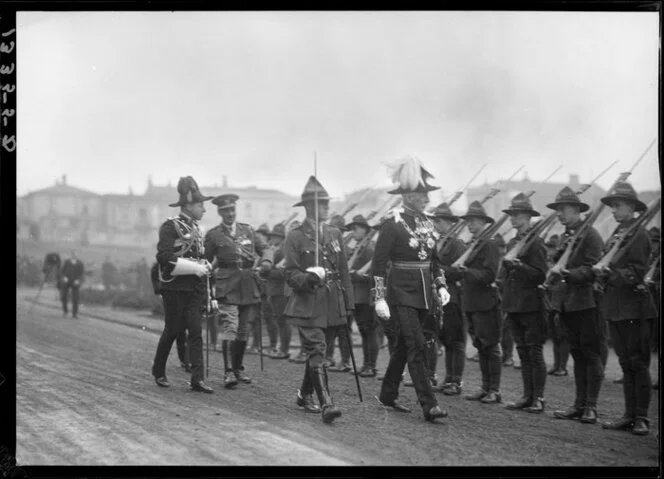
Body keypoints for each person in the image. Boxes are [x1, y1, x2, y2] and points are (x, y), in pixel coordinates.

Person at [372, 156, 451, 422]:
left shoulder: (429, 223)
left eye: (425, 193)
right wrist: (379, 298)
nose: (425, 198)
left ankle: (387, 394)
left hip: (426, 293)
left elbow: (434, 261)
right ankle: (429, 405)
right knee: (417, 345)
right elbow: (378, 264)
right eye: (419, 194)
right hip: (400, 292)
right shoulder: (392, 223)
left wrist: (441, 285)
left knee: (405, 348)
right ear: (405, 195)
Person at [283, 175, 354, 423]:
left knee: (319, 353)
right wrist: (310, 277)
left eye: (327, 203)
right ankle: (327, 404)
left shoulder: (334, 233)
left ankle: (304, 394)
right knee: (317, 349)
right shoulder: (295, 236)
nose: (327, 208)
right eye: (323, 204)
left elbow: (343, 271)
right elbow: (290, 274)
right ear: (311, 207)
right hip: (308, 302)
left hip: (333, 301)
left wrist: (349, 304)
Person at [597, 183, 658, 436]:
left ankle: (642, 418)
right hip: (617, 308)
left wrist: (610, 273)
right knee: (625, 362)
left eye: (618, 206)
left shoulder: (640, 235)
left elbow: (637, 272)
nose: (613, 210)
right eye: (612, 207)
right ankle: (628, 415)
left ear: (632, 208)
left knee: (638, 363)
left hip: (635, 309)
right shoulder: (617, 234)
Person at [547, 187, 605, 424]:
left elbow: (593, 268)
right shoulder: (565, 237)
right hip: (568, 305)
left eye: (563, 210)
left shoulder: (591, 235)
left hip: (586, 304)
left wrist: (568, 273)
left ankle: (591, 406)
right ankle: (579, 404)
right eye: (557, 210)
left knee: (591, 355)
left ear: (577, 211)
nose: (559, 214)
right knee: (578, 355)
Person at [151, 176, 214, 393]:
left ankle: (197, 379)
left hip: (194, 288)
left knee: (196, 331)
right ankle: (158, 370)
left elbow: (198, 257)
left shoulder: (198, 230)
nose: (204, 209)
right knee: (173, 330)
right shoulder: (170, 227)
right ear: (188, 206)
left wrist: (203, 266)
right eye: (200, 205)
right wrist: (194, 267)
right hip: (175, 287)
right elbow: (164, 257)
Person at [204, 194, 271, 389]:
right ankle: (228, 372)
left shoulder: (248, 231)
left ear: (235, 210)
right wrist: (206, 287)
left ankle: (238, 368)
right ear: (219, 212)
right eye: (225, 211)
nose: (230, 214)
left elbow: (266, 248)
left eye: (232, 210)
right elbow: (206, 261)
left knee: (244, 329)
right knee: (230, 328)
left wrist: (266, 262)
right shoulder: (213, 235)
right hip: (227, 286)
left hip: (248, 285)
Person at [447, 202, 503, 404]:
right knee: (480, 345)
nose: (469, 224)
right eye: (468, 221)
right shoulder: (474, 244)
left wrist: (465, 272)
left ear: (483, 222)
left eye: (473, 221)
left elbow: (490, 274)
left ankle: (494, 390)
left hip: (485, 303)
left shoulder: (489, 244)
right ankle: (485, 387)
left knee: (490, 346)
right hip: (470, 302)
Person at [499, 193, 548, 414]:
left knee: (534, 352)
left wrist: (518, 266)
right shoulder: (512, 242)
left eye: (517, 215)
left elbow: (540, 275)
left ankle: (538, 398)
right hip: (514, 304)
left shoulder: (536, 243)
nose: (512, 219)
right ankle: (527, 396)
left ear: (528, 217)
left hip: (531, 305)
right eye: (511, 215)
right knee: (522, 352)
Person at [431, 202, 467, 396]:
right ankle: (448, 379)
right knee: (445, 339)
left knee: (455, 341)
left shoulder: (457, 244)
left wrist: (440, 271)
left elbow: (459, 272)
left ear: (450, 223)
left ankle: (456, 381)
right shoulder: (438, 243)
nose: (436, 224)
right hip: (437, 297)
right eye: (435, 221)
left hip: (451, 297)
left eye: (440, 221)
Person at [346, 214, 379, 377]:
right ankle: (366, 364)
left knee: (369, 330)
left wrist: (357, 275)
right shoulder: (359, 247)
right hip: (357, 294)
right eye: (352, 229)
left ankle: (371, 365)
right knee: (363, 330)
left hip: (366, 294)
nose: (353, 232)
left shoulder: (370, 248)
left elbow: (374, 272)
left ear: (365, 230)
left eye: (356, 229)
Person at [324, 214, 352, 371]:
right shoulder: (330, 243)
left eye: (340, 230)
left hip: (343, 291)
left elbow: (343, 269)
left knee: (344, 330)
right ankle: (328, 357)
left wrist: (349, 300)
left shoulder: (345, 246)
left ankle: (346, 360)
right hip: (332, 290)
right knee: (329, 327)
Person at [264, 223, 292, 359]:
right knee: (279, 319)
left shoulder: (284, 251)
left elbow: (284, 272)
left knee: (283, 320)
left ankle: (284, 349)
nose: (273, 238)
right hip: (274, 289)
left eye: (276, 236)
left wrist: (267, 273)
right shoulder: (276, 250)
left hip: (282, 290)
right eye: (272, 236)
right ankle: (282, 348)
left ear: (281, 237)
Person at [544, 235, 570, 376]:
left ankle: (562, 367)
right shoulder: (551, 264)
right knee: (555, 336)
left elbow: (560, 286)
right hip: (552, 303)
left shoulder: (562, 265)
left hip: (560, 303)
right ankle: (556, 365)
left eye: (552, 248)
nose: (549, 251)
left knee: (562, 336)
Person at [494, 234, 515, 368]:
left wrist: (498, 282)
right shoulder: (496, 260)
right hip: (495, 296)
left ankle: (509, 356)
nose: (501, 249)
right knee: (499, 328)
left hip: (506, 296)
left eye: (502, 246)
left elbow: (506, 278)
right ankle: (504, 354)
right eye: (498, 247)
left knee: (507, 328)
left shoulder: (505, 261)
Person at [60, 250, 85, 318]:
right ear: (71, 255)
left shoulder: (80, 263)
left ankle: (75, 313)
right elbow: (62, 271)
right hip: (66, 281)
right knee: (63, 297)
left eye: (76, 254)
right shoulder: (66, 262)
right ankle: (65, 311)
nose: (74, 255)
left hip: (75, 282)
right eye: (73, 254)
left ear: (77, 255)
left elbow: (82, 273)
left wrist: (78, 280)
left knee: (75, 298)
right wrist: (64, 277)